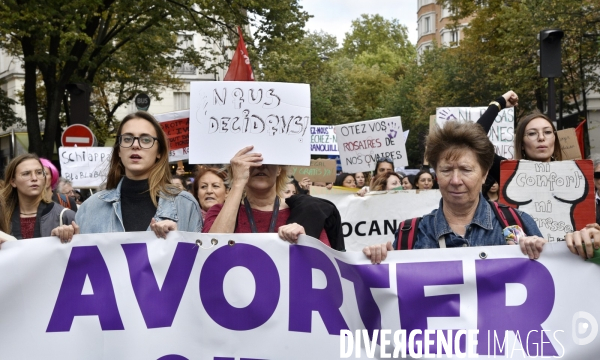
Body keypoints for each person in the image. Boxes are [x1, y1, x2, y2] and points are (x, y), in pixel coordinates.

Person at [363, 121, 545, 264]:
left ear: (484, 174)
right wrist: (380, 264)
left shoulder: (519, 223)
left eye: (466, 170)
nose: (456, 180)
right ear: (436, 174)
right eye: (446, 170)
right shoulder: (410, 235)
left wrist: (545, 253)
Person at [75, 111, 202, 237]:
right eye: (127, 139)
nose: (135, 145)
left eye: (146, 140)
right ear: (119, 150)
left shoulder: (186, 205)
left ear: (159, 151)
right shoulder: (90, 207)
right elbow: (81, 256)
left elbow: (196, 256)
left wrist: (177, 240)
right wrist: (64, 242)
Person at [203, 146, 345, 251]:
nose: (261, 166)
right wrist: (239, 181)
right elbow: (210, 250)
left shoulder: (307, 214)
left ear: (279, 169)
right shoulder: (218, 212)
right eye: (252, 162)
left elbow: (324, 269)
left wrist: (305, 241)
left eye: (269, 161)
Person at [0, 154, 77, 243]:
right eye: (26, 174)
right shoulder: (2, 216)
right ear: (13, 182)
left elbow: (80, 252)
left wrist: (70, 234)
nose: (34, 178)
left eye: (39, 172)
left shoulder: (65, 215)